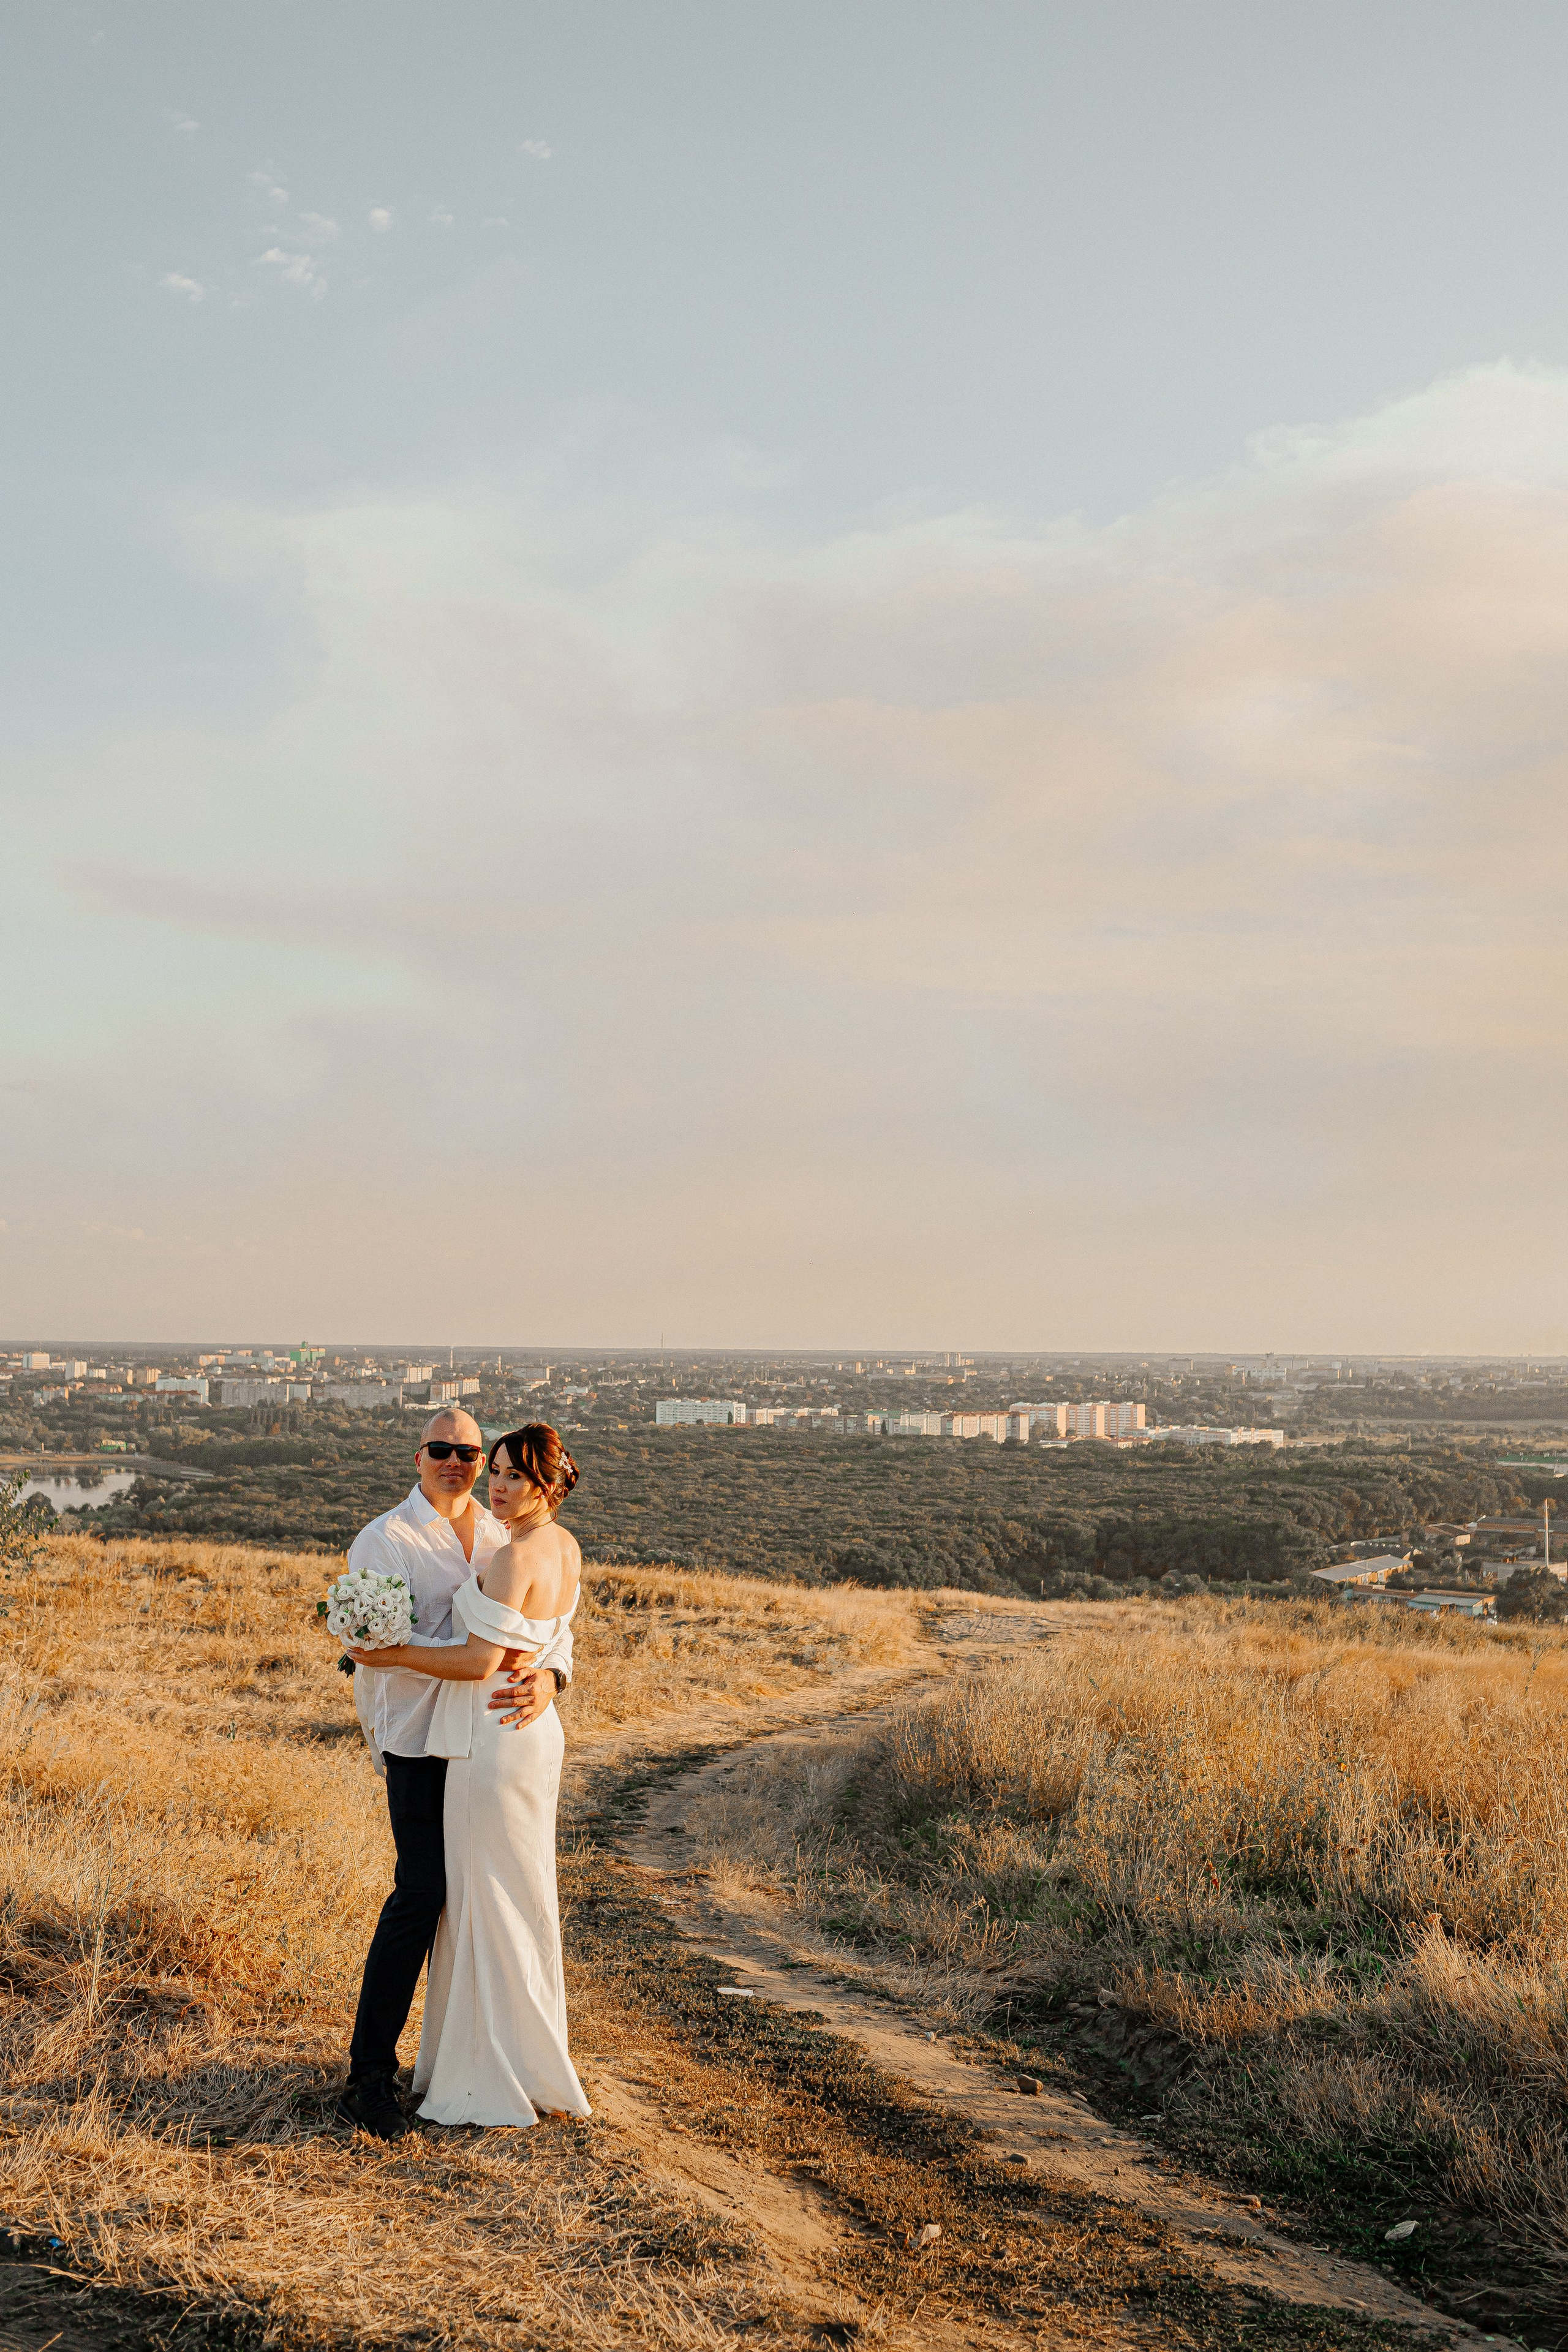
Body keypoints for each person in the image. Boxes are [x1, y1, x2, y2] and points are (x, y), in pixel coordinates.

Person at [333, 1409, 575, 2140]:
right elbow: (372, 1646)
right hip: (417, 1740)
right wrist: (377, 1658)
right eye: (444, 1450)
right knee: (422, 1894)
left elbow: (552, 1629)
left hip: (486, 1741)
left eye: (473, 1453)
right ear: (419, 1456)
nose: (462, 1464)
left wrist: (553, 1679)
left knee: (482, 1896)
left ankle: (476, 2056)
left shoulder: (509, 1532)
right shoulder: (386, 1540)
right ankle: (368, 2077)